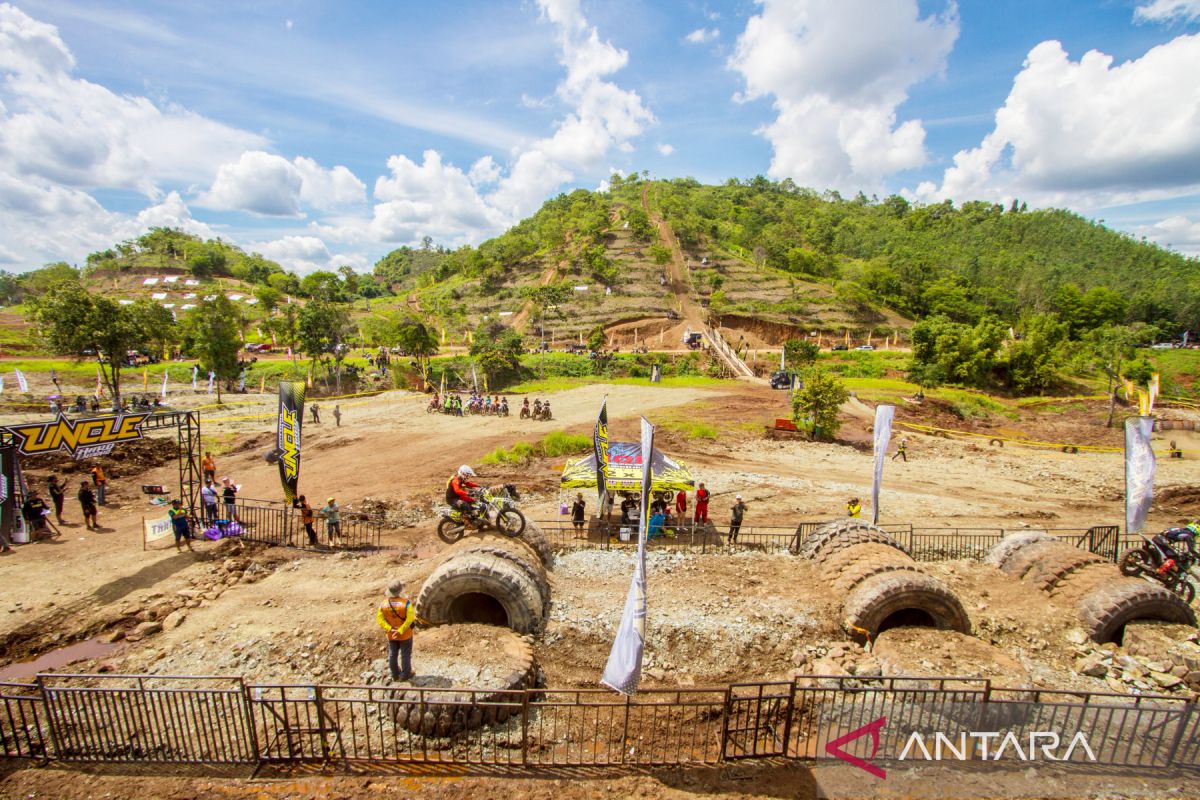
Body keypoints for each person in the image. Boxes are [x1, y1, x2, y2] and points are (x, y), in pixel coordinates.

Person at [376, 580, 416, 682]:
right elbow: (410, 618)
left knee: (393, 654)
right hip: (405, 634)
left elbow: (379, 619)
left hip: (391, 635)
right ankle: (405, 675)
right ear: (400, 591)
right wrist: (401, 630)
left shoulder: (383, 604)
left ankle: (394, 674)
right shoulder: (406, 603)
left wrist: (390, 629)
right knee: (405, 654)